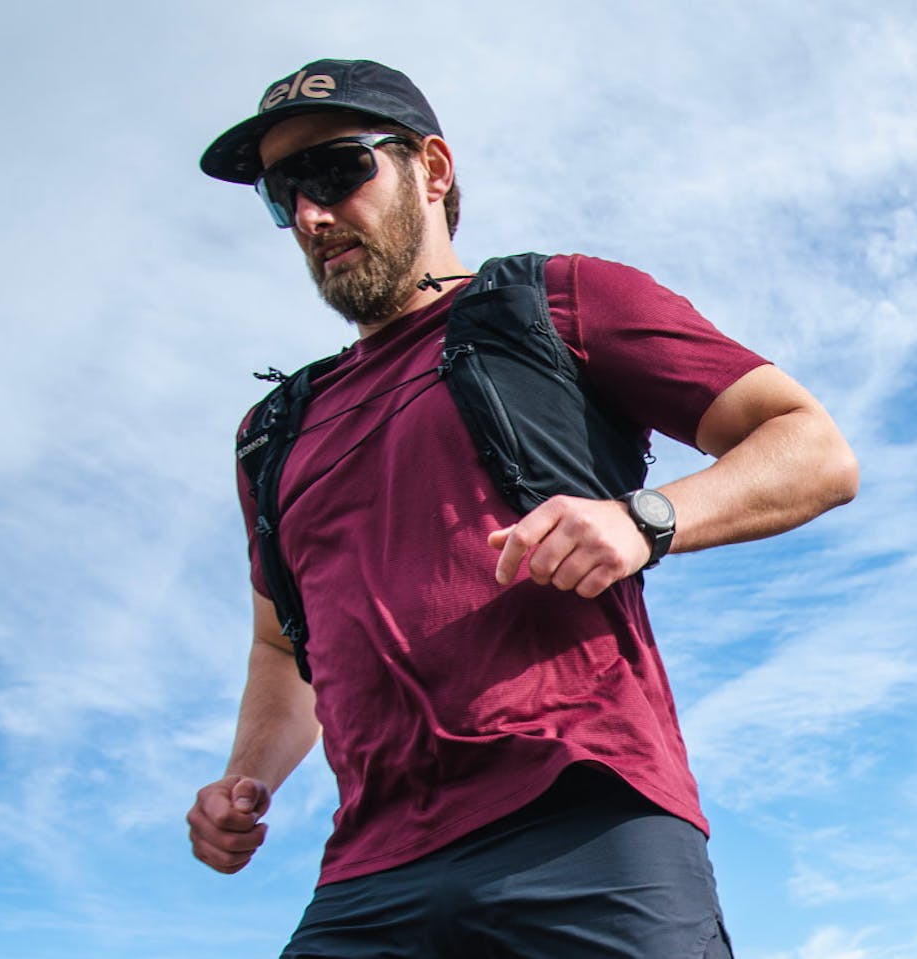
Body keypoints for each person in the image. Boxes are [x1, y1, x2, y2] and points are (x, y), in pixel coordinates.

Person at [186, 58, 859, 959]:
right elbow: (283, 643)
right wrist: (247, 776)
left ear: (431, 168)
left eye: (335, 170)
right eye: (282, 194)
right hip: (367, 878)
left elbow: (812, 445)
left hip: (586, 825)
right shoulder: (271, 434)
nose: (310, 214)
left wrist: (641, 519)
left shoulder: (562, 300)